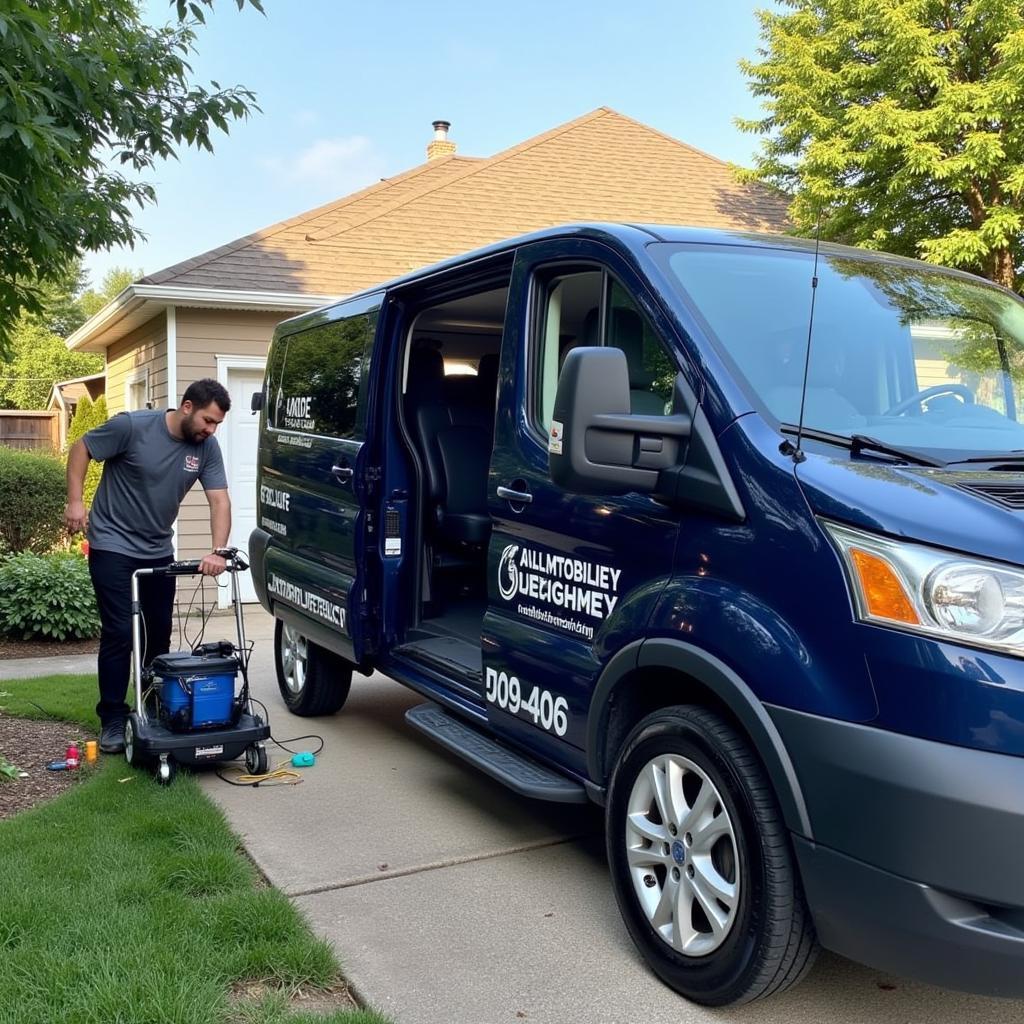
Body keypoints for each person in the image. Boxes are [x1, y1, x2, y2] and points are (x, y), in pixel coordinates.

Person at [64, 378, 233, 753]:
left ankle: (153, 706)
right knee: (120, 632)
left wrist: (218, 551)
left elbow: (219, 501)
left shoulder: (206, 448)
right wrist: (75, 501)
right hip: (112, 544)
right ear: (187, 407)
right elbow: (82, 448)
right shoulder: (133, 426)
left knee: (157, 634)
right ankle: (112, 718)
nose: (211, 430)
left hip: (157, 548)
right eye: (208, 421)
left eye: (217, 424)